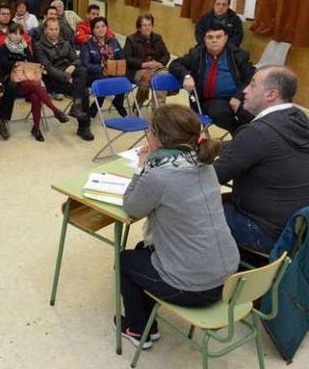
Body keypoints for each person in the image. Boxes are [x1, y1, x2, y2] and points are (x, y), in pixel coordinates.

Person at [119, 105, 238, 349]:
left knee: (125, 260)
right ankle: (144, 319)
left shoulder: (158, 174)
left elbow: (131, 207)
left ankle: (138, 330)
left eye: (149, 131)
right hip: (229, 277)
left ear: (158, 138)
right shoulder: (204, 162)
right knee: (144, 249)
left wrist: (141, 167)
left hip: (195, 288)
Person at [213, 66, 309, 253]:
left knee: (188, 209)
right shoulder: (298, 118)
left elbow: (210, 177)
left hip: (265, 232)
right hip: (296, 229)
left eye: (252, 85)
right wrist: (212, 146)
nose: (245, 91)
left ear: (272, 94)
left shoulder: (257, 132)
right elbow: (252, 148)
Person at [169, 23, 256, 132]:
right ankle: (240, 136)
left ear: (225, 38)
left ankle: (251, 137)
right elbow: (175, 64)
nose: (214, 40)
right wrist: (186, 76)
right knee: (221, 113)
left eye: (218, 37)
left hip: (237, 96)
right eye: (210, 37)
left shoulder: (238, 54)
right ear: (205, 39)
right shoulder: (196, 54)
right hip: (210, 100)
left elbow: (251, 76)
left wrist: (238, 96)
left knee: (251, 113)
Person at [0, 24, 70, 141]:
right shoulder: (2, 48)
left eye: (20, 34)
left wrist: (30, 65)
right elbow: (3, 65)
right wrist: (18, 64)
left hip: (27, 80)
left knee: (36, 96)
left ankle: (36, 128)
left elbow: (32, 62)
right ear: (8, 34)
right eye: (14, 33)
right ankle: (55, 111)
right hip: (11, 83)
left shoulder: (25, 47)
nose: (17, 36)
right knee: (36, 86)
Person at [35, 19, 94, 141]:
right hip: (52, 79)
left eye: (56, 29)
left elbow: (77, 60)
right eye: (51, 29)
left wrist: (71, 67)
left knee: (82, 70)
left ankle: (76, 107)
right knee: (83, 91)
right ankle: (84, 126)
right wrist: (67, 77)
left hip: (68, 73)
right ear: (45, 30)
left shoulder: (65, 43)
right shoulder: (39, 47)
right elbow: (49, 68)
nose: (54, 32)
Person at [80, 17, 128, 118]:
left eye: (103, 26)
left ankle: (118, 103)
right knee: (105, 79)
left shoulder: (113, 41)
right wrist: (102, 68)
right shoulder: (87, 44)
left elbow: (122, 57)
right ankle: (97, 105)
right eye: (97, 27)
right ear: (93, 30)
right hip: (94, 74)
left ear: (107, 28)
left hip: (112, 70)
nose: (101, 29)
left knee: (123, 78)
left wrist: (115, 67)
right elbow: (85, 65)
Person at [124, 14, 170, 106]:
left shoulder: (157, 38)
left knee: (163, 78)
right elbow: (127, 58)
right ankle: (159, 111)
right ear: (139, 27)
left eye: (149, 25)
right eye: (144, 25)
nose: (147, 28)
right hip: (137, 70)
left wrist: (159, 63)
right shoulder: (131, 39)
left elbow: (166, 55)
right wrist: (143, 64)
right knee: (160, 79)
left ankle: (157, 109)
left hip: (156, 68)